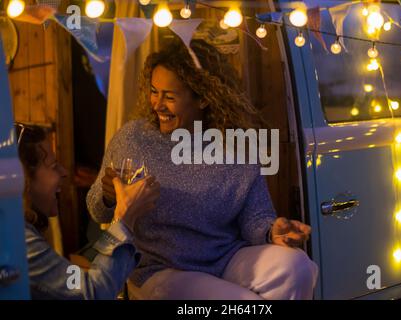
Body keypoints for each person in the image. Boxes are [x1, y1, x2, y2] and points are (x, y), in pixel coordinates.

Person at [87, 39, 318, 300]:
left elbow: (256, 218)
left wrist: (271, 231)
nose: (157, 104)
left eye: (170, 96)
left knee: (297, 266)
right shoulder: (133, 139)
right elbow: (96, 209)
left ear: (204, 99)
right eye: (154, 91)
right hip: (160, 270)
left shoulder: (235, 147)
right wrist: (108, 196)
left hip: (224, 257)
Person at [16, 123, 160, 299]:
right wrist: (125, 218)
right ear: (22, 179)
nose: (63, 172)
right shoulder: (21, 242)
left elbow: (73, 282)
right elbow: (92, 291)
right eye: (53, 165)